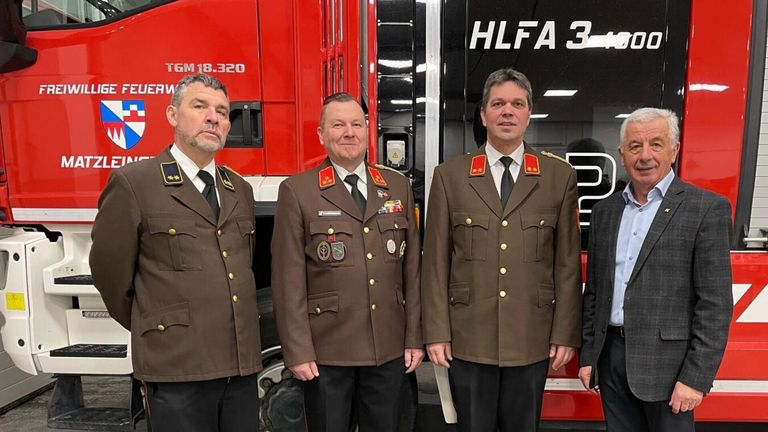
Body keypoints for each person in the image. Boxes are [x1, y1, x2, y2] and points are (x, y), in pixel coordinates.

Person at [90, 73, 261, 432]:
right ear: (171, 115)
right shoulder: (135, 183)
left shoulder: (239, 190)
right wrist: (158, 326)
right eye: (199, 106)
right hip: (177, 366)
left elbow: (242, 265)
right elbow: (111, 276)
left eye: (222, 111)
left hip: (241, 365)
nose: (213, 117)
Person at [421, 67, 582, 431]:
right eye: (498, 104)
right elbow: (434, 264)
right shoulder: (450, 176)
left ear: (529, 113)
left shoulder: (559, 178)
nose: (507, 111)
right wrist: (436, 331)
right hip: (468, 337)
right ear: (483, 114)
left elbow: (567, 265)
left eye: (517, 104)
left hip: (531, 335)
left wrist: (564, 333)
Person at [271, 92, 423, 432]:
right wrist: (297, 350)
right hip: (327, 353)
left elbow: (411, 270)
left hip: (387, 347)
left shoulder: (396, 186)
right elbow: (288, 280)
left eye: (357, 124)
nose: (349, 132)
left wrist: (414, 337)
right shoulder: (299, 191)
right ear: (322, 135)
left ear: (368, 131)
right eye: (338, 125)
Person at [578, 108, 733, 431]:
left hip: (670, 369)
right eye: (635, 146)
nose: (645, 156)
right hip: (612, 360)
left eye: (656, 144)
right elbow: (595, 292)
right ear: (622, 155)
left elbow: (715, 305)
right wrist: (590, 356)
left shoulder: (705, 209)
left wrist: (695, 378)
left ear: (674, 150)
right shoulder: (606, 212)